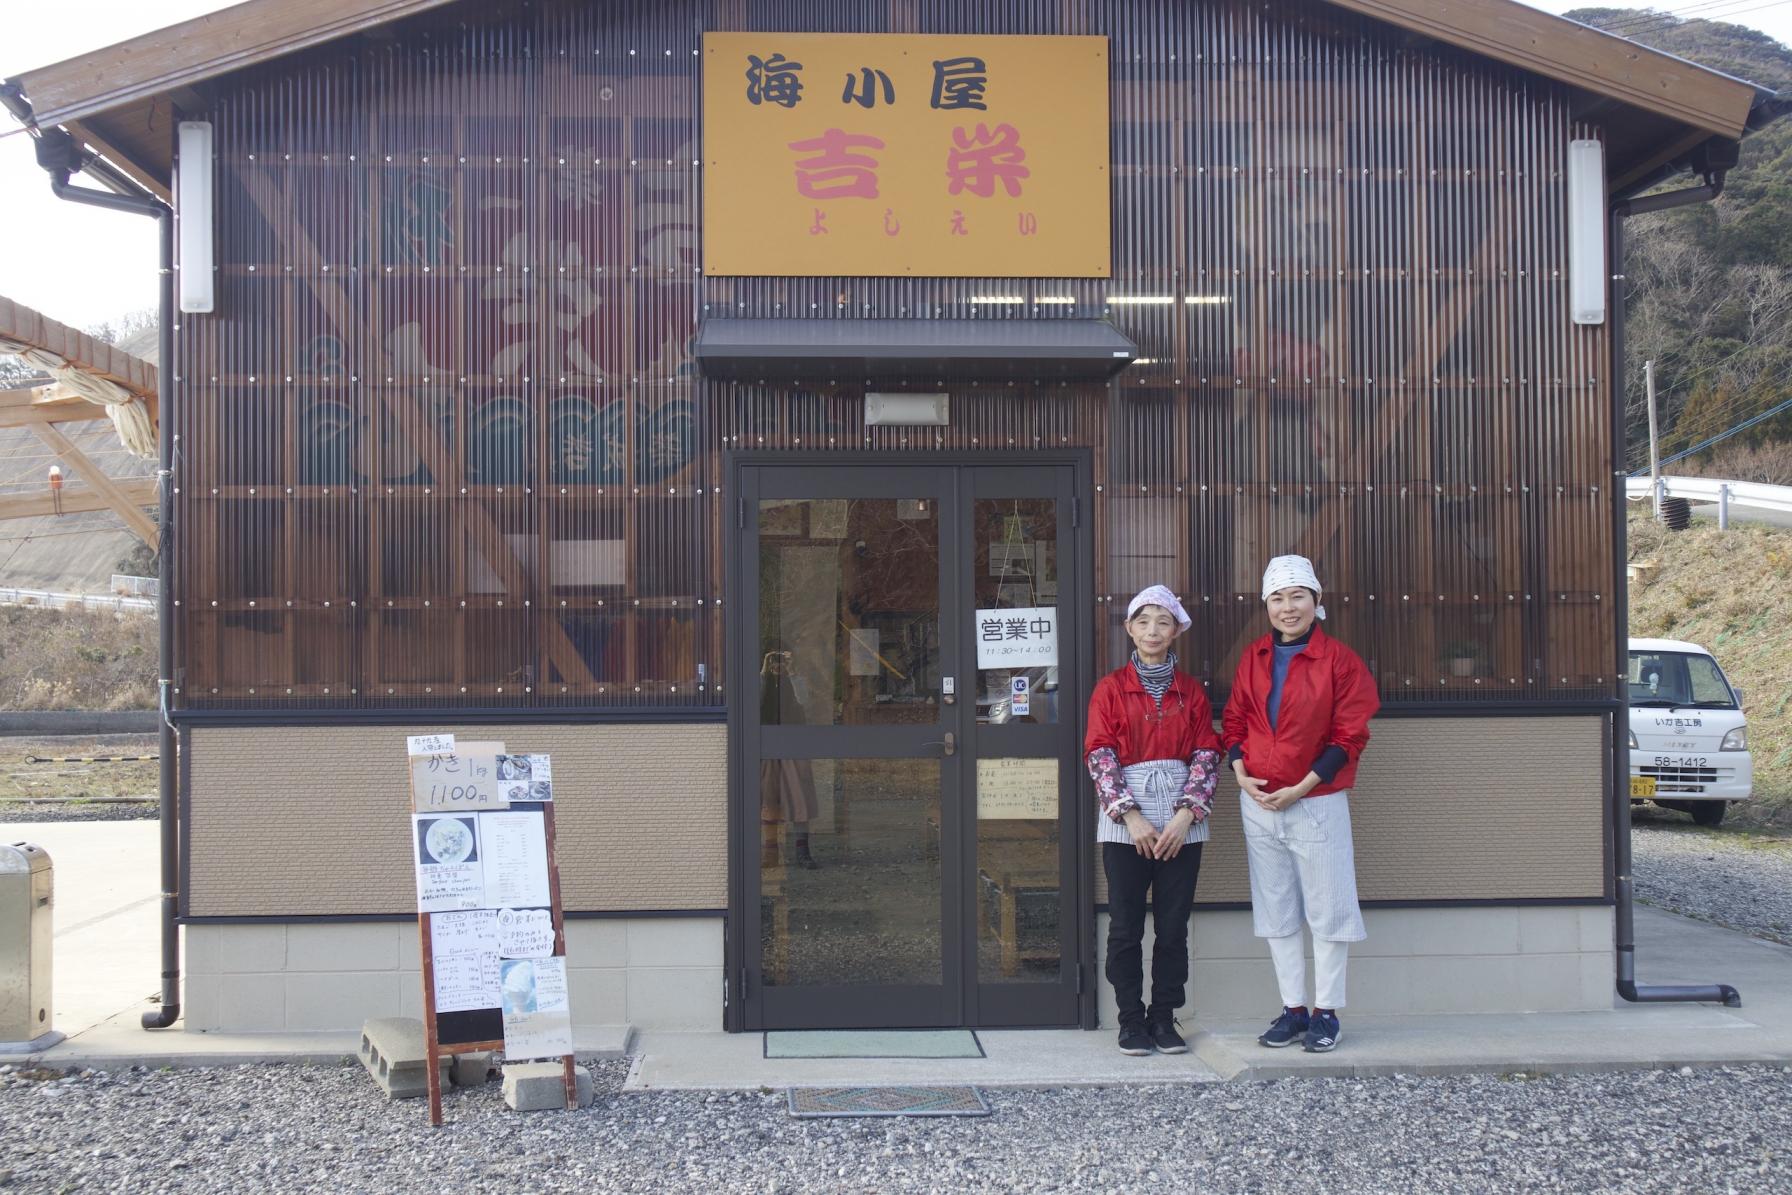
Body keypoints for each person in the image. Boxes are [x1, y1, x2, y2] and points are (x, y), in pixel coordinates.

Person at [1223, 555, 1378, 1053]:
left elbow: (1349, 736)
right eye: (1277, 598)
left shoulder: (1340, 661)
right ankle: (1292, 1009)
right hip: (1259, 801)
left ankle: (1326, 1012)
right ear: (1265, 604)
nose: (1287, 608)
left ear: (1316, 601)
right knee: (1277, 908)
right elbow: (1235, 719)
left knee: (1328, 908)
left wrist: (1302, 787)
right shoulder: (1255, 656)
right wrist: (1240, 773)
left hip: (1316, 801)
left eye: (1297, 597)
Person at [1085, 585, 1222, 1056]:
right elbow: (1099, 752)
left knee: (1173, 924)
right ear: (1129, 628)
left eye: (1163, 621)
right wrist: (1130, 816)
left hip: (1184, 818)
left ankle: (1164, 1017)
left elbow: (1207, 750)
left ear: (1177, 629)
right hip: (1127, 820)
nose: (1152, 630)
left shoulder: (1193, 693)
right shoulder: (1109, 688)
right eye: (1143, 621)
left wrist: (1187, 814)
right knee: (1124, 925)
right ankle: (1130, 1019)